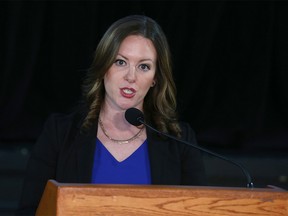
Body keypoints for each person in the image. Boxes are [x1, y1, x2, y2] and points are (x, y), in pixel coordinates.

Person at [16, 14, 206, 215]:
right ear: (103, 66)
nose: (131, 77)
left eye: (144, 66)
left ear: (155, 79)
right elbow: (30, 211)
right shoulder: (60, 133)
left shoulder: (179, 141)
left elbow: (200, 211)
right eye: (120, 62)